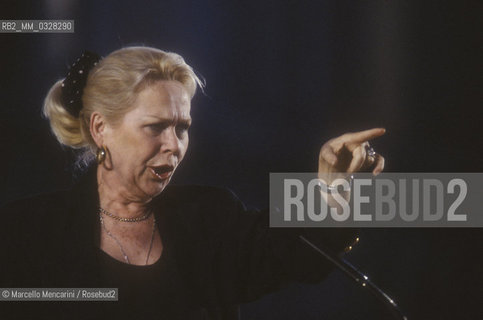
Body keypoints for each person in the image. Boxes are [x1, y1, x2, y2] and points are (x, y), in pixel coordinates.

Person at [0, 46, 385, 320]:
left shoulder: (211, 217)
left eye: (182, 128)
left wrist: (332, 192)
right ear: (101, 128)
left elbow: (291, 253)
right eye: (155, 127)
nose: (173, 145)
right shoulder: (28, 230)